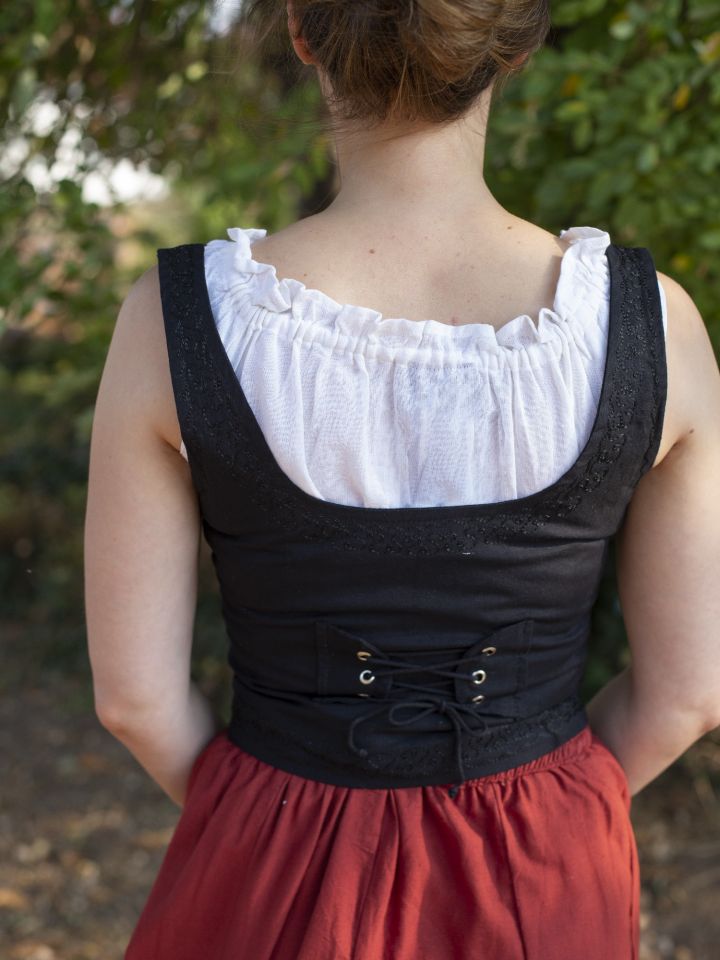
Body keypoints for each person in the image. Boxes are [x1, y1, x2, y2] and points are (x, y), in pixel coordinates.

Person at [83, 1, 720, 957]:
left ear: (303, 31)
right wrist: (544, 803)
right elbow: (687, 696)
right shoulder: (652, 325)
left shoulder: (176, 319)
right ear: (516, 43)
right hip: (548, 880)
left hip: (266, 867)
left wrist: (276, 812)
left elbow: (133, 699)